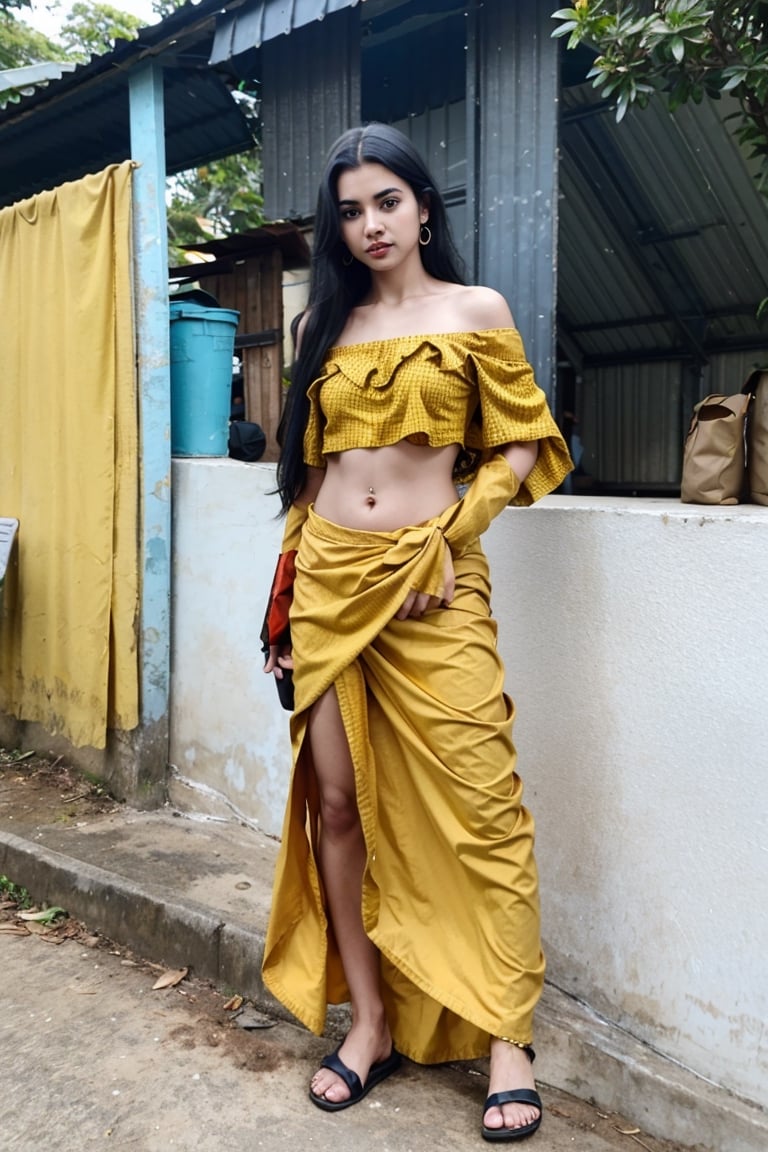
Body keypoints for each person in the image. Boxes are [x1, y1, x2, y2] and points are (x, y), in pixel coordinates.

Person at [262, 122, 573, 1143]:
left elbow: (523, 441)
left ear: (425, 205)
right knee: (339, 809)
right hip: (331, 587)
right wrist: (284, 599)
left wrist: (452, 536)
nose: (369, 224)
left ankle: (505, 1038)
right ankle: (373, 1022)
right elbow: (308, 486)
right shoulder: (324, 328)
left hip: (437, 591)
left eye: (386, 201)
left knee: (483, 808)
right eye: (349, 210)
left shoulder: (475, 311)